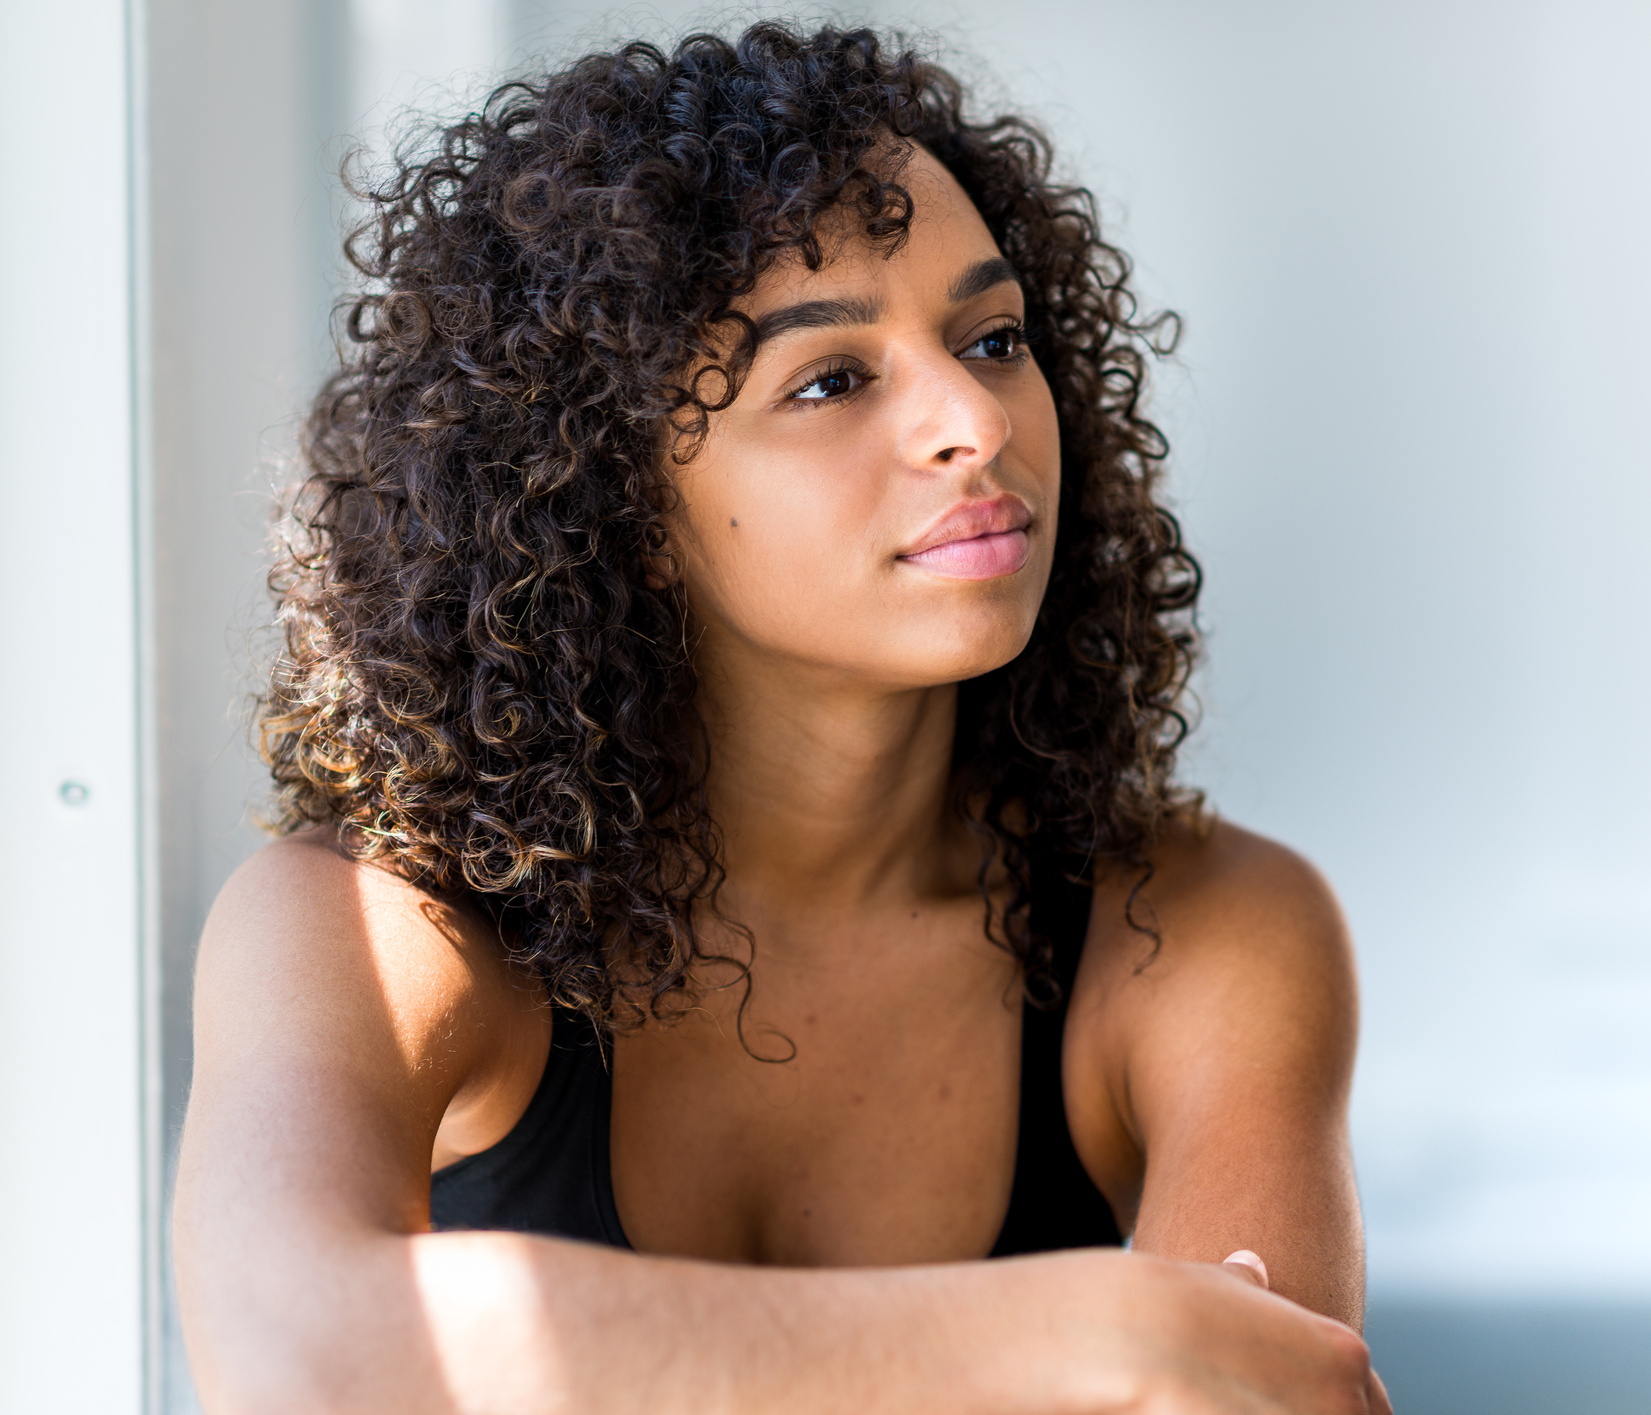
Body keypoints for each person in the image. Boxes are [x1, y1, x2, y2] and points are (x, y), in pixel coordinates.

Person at [174, 22, 1384, 1413]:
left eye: (993, 338)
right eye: (830, 379)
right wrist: (1086, 1334)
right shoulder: (374, 929)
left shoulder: (1206, 927)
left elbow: (1261, 1397)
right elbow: (295, 1350)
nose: (974, 423)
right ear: (619, 504)